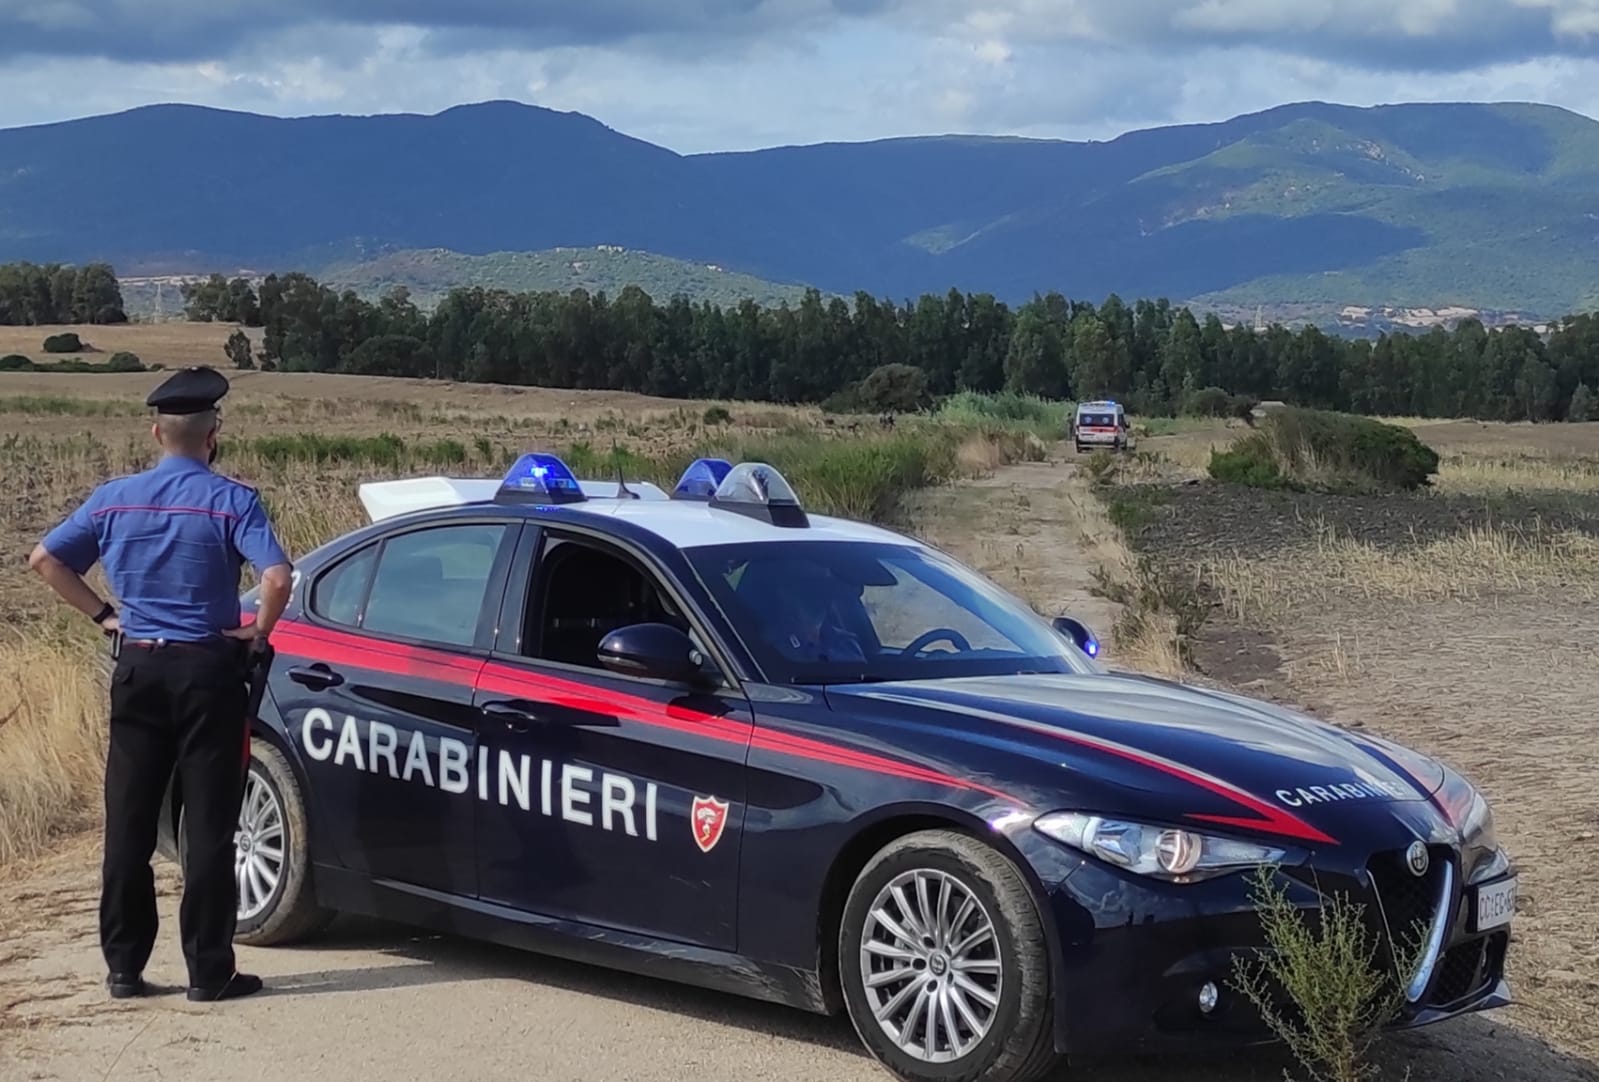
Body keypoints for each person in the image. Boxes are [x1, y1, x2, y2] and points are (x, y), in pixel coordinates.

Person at [27, 365, 294, 1004]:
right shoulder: (233, 500)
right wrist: (255, 632)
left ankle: (123, 966)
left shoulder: (112, 498)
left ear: (156, 433)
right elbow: (279, 578)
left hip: (138, 668)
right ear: (213, 436)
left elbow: (44, 559)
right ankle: (209, 971)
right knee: (207, 823)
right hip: (207, 672)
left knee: (130, 823)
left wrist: (104, 616)